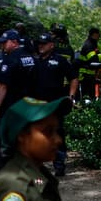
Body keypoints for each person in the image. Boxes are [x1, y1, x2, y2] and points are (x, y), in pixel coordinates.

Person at [30, 33, 78, 177]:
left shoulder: (60, 60)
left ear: (52, 45)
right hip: (37, 105)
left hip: (55, 104)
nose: (41, 46)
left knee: (57, 134)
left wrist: (71, 97)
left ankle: (59, 164)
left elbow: (74, 78)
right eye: (39, 44)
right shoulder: (34, 61)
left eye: (44, 44)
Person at [0, 30, 36, 124]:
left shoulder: (10, 59)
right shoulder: (31, 57)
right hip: (30, 103)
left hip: (13, 104)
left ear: (14, 42)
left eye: (5, 42)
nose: (2, 45)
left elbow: (3, 86)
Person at [75, 27, 101, 102]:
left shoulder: (93, 44)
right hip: (84, 75)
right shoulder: (89, 45)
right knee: (82, 95)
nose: (99, 37)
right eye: (98, 35)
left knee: (91, 95)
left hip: (90, 74)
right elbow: (93, 59)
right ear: (94, 35)